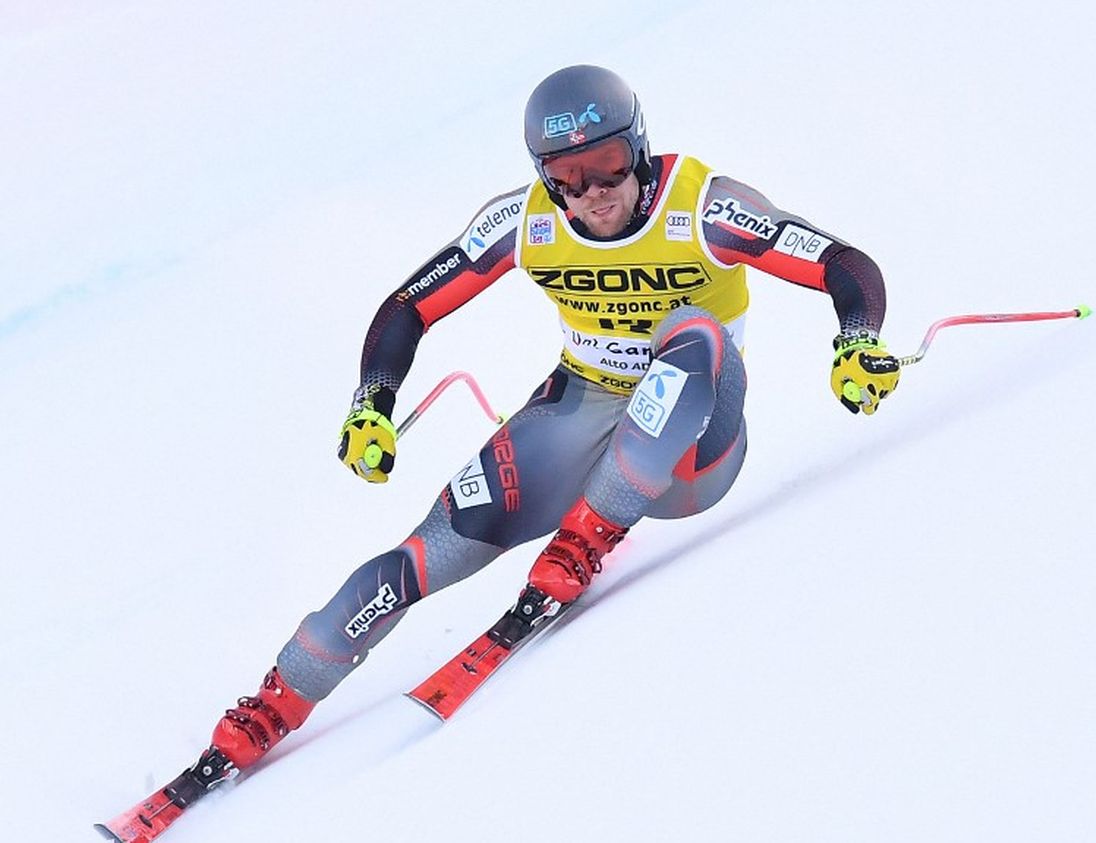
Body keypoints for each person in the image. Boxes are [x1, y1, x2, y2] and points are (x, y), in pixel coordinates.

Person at [204, 65, 901, 777]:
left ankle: (583, 540)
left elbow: (841, 262)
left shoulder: (704, 207)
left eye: (606, 164)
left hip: (690, 453)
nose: (593, 193)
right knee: (425, 551)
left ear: (639, 147)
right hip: (584, 410)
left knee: (693, 330)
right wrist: (372, 400)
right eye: (569, 175)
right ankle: (272, 704)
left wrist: (857, 338)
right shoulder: (524, 221)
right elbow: (410, 305)